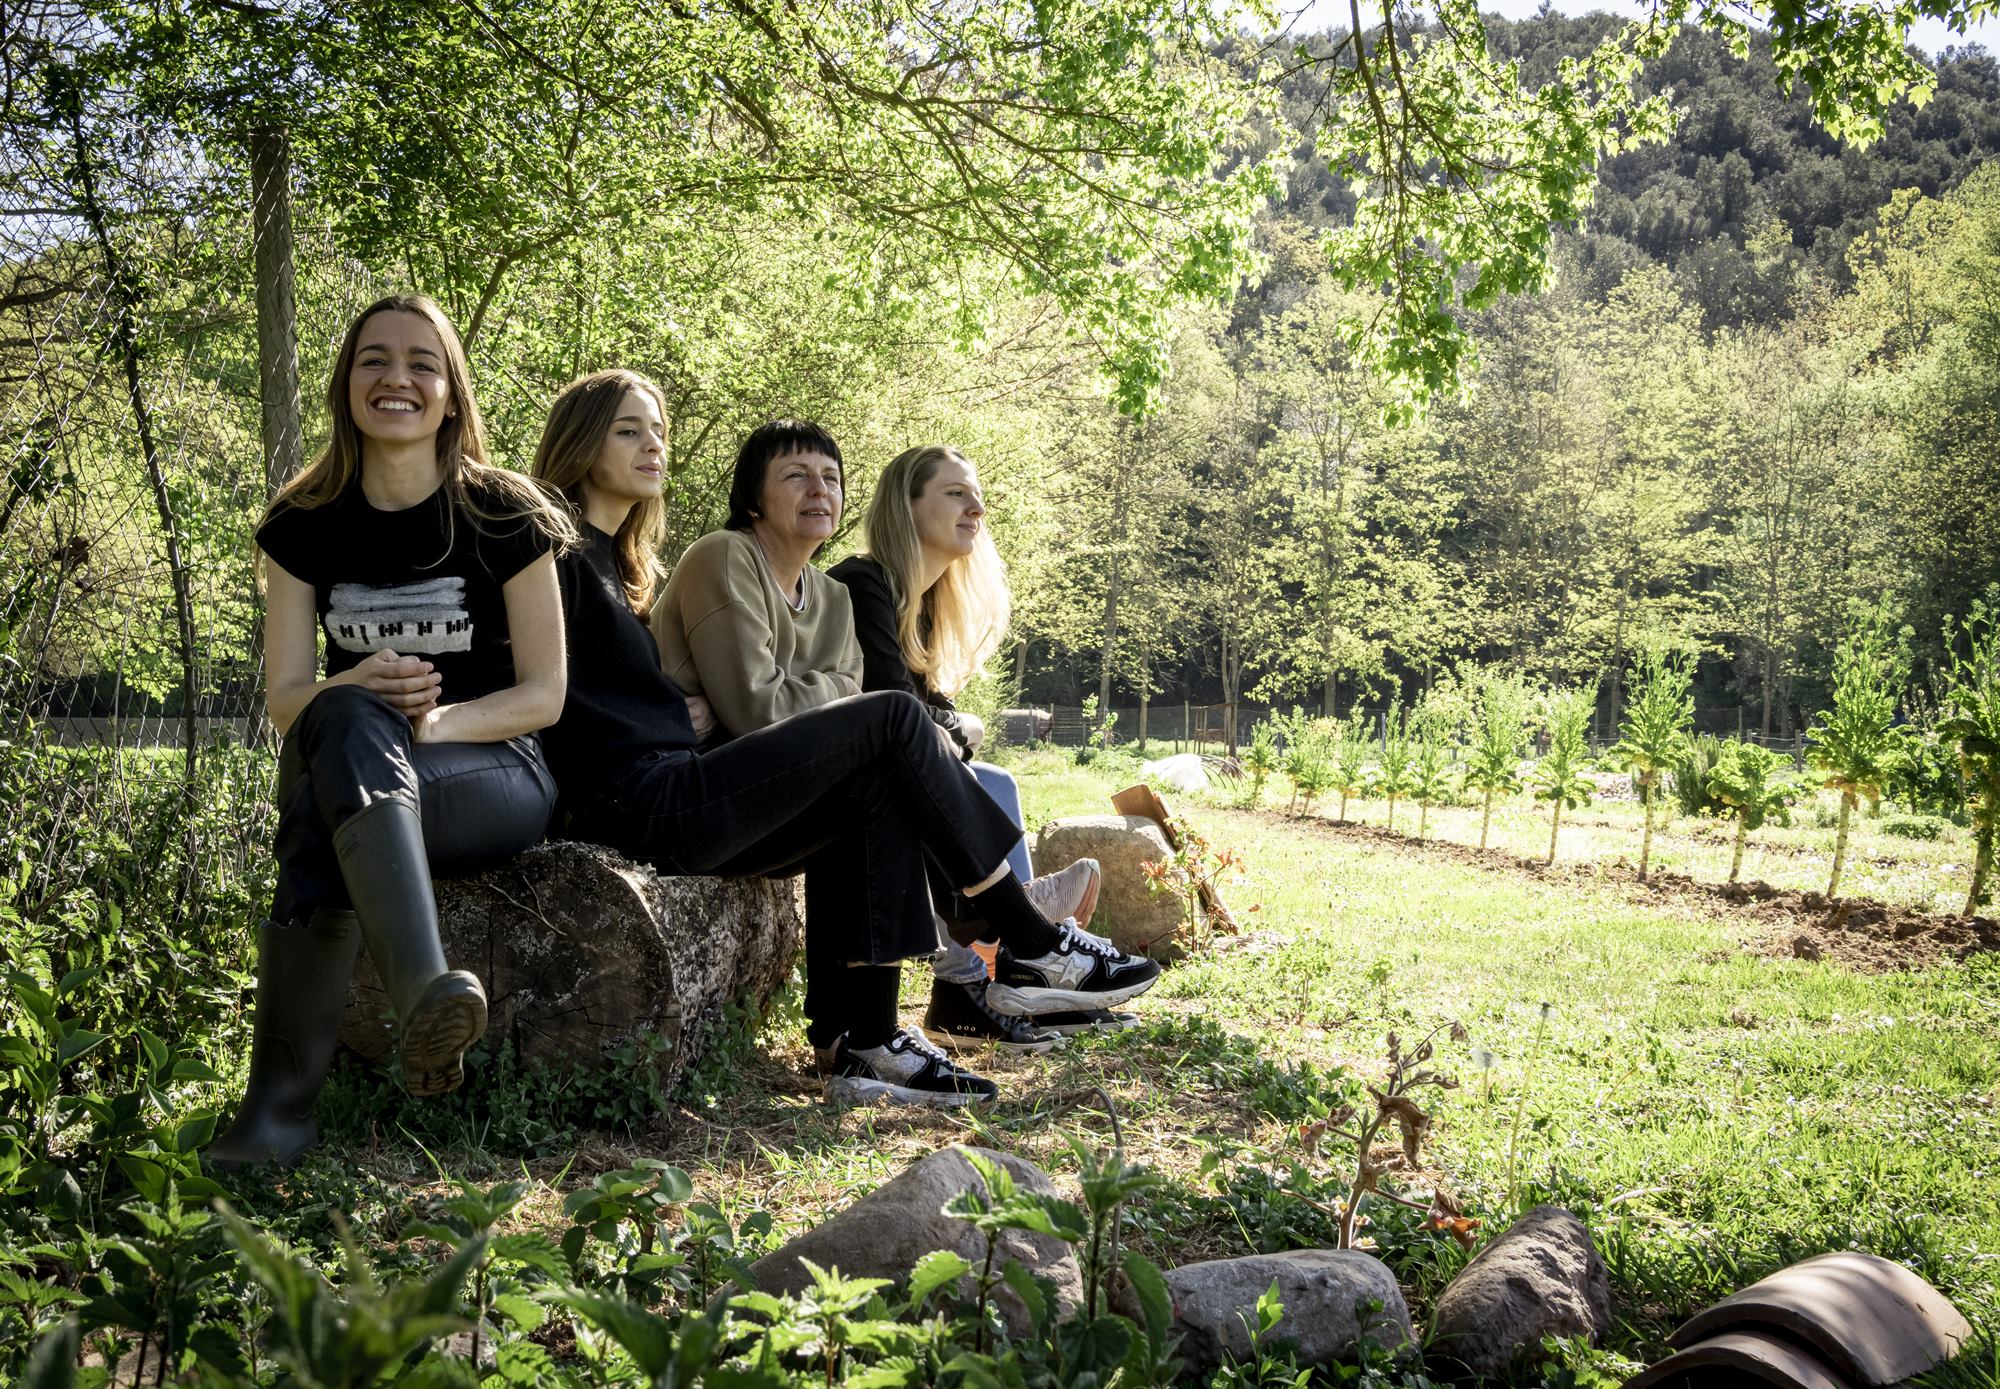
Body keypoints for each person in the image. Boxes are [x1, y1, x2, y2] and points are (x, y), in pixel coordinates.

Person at [531, 376, 1160, 1107]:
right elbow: (750, 705)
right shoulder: (559, 548)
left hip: (681, 787)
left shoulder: (626, 564)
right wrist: (690, 710)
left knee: (877, 775)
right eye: (628, 431)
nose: (653, 447)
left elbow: (763, 696)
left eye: (658, 431)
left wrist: (705, 706)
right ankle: (1028, 936)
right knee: (893, 718)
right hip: (646, 799)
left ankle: (861, 1035)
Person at [208, 294, 574, 1170]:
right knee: (339, 723)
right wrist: (357, 685)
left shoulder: (504, 512)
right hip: (355, 762)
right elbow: (288, 700)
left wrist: (435, 720)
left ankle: (279, 1112)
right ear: (345, 385)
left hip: (494, 768)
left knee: (321, 811)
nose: (396, 378)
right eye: (374, 359)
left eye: (422, 362)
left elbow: (547, 694)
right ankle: (425, 1000)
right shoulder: (302, 523)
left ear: (451, 392)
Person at [829, 445, 1138, 1047]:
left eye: (976, 494)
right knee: (957, 779)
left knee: (995, 779)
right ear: (908, 506)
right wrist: (955, 728)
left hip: (886, 762)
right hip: (845, 779)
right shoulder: (862, 584)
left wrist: (958, 726)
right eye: (955, 493)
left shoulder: (914, 603)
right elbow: (896, 715)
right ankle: (1012, 938)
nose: (977, 506)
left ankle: (985, 980)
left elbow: (930, 710)